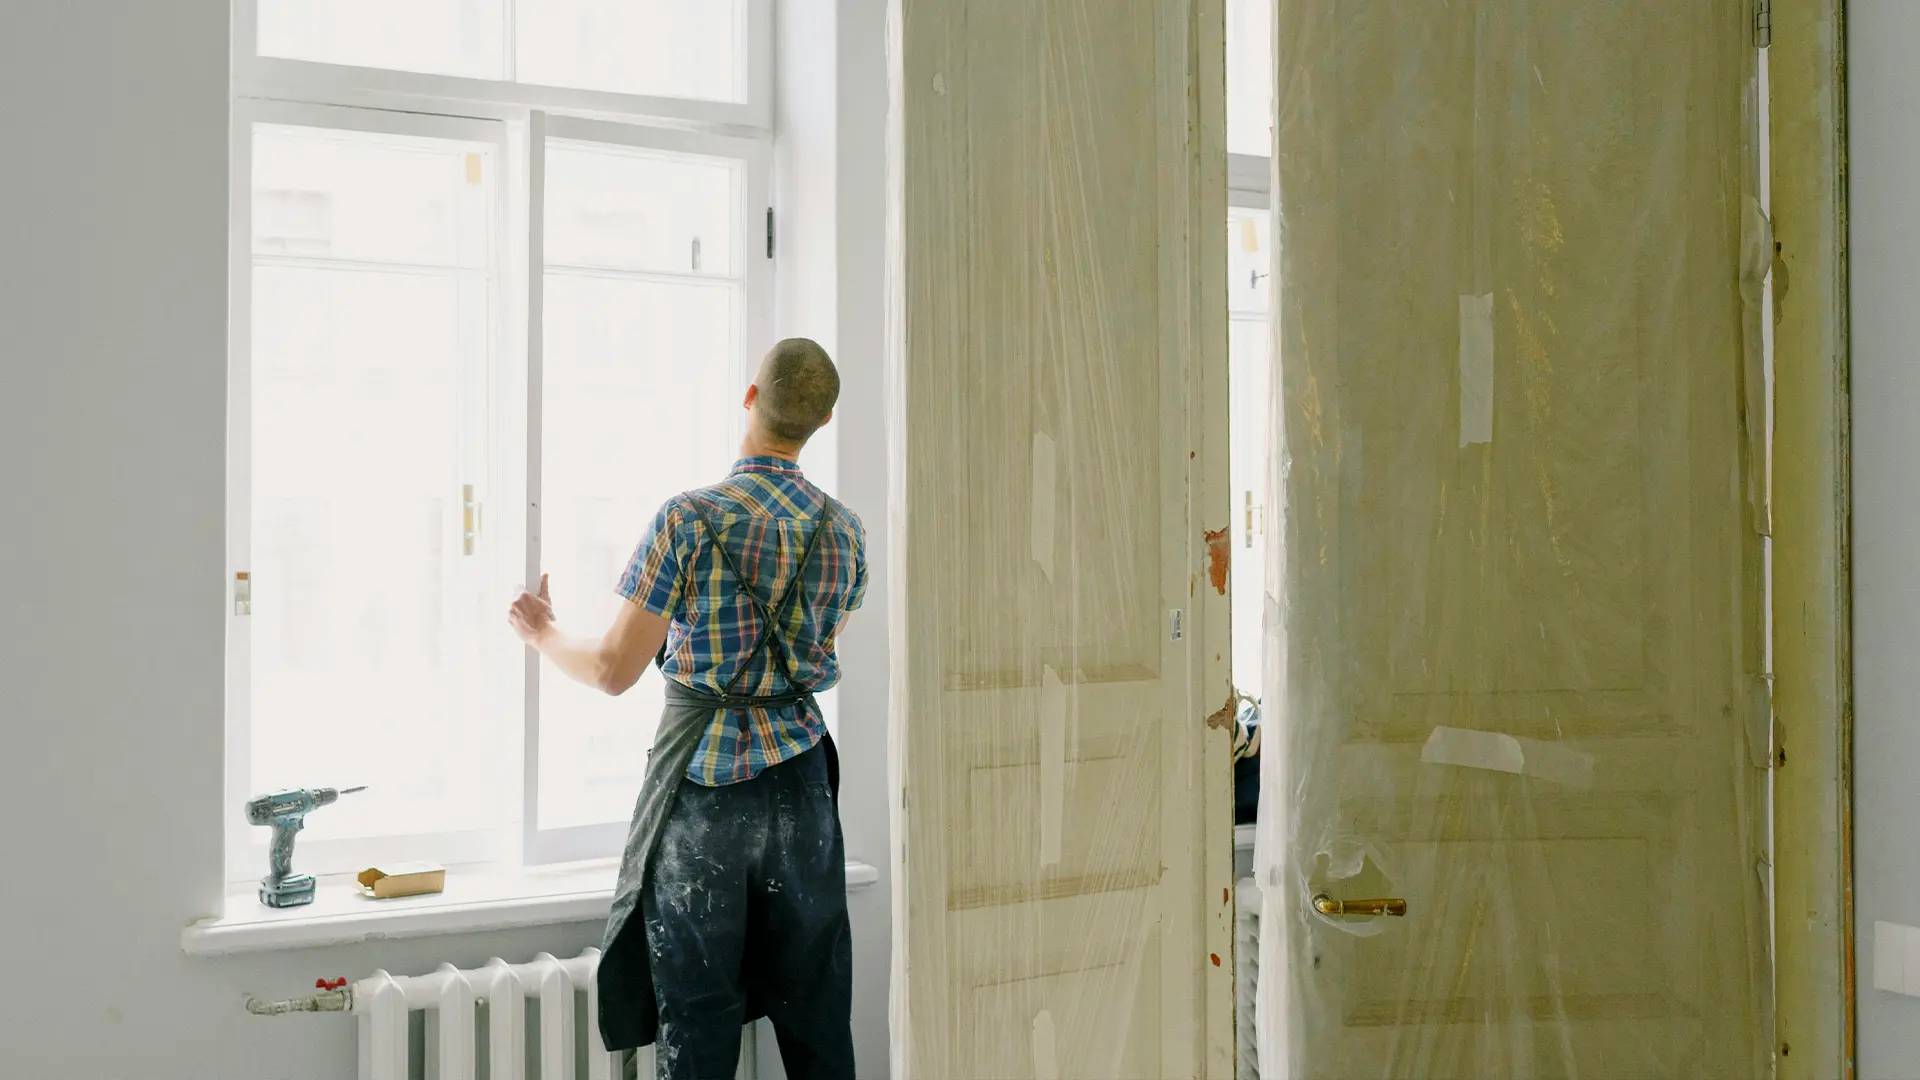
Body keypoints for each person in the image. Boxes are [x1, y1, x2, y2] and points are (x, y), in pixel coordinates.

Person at [508, 338, 865, 1080]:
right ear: (824, 419)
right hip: (801, 787)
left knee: (697, 1025)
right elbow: (812, 650)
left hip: (707, 792)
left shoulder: (689, 520)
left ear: (749, 397)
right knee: (818, 1015)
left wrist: (541, 632)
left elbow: (612, 670)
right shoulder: (845, 533)